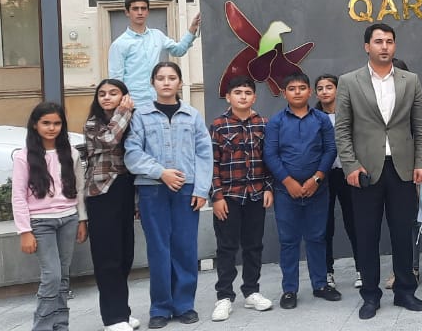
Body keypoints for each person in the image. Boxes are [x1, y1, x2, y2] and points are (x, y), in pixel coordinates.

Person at [334, 23, 422, 320]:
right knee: (367, 235)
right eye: (378, 41)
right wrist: (350, 165)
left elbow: (420, 126)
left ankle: (405, 291)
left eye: (389, 41)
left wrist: (421, 162)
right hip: (365, 170)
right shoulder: (349, 81)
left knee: (402, 233)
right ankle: (370, 295)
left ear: (394, 45)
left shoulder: (410, 80)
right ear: (367, 47)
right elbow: (342, 129)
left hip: (402, 168)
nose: (384, 46)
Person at [125, 62, 213, 329]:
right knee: (159, 249)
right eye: (161, 78)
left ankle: (184, 304)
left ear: (180, 83)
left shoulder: (192, 115)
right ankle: (160, 308)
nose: (166, 82)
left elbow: (204, 153)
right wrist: (161, 172)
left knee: (185, 247)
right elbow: (132, 153)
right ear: (152, 82)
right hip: (153, 189)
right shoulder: (140, 116)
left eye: (172, 78)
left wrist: (201, 189)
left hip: (186, 190)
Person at [265, 73, 341, 309]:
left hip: (317, 190)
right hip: (285, 192)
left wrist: (316, 178)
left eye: (301, 88)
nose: (297, 92)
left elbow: (330, 150)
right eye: (292, 88)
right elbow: (270, 154)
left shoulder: (321, 120)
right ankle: (289, 290)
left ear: (309, 92)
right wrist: (288, 181)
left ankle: (320, 284)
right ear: (284, 93)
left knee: (317, 237)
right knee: (288, 241)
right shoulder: (276, 122)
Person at [12, 102, 87, 331]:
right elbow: (18, 196)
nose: (52, 128)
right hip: (40, 222)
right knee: (52, 276)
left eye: (57, 123)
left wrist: (82, 219)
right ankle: (42, 327)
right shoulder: (23, 157)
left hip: (69, 219)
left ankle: (61, 326)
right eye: (46, 123)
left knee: (63, 277)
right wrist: (25, 231)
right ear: (35, 125)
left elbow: (80, 188)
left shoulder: (71, 153)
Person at [208, 76, 275, 321]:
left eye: (247, 92)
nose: (243, 96)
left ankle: (251, 291)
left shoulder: (263, 124)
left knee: (253, 245)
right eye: (238, 92)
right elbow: (211, 163)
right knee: (226, 247)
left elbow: (270, 159)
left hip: (256, 194)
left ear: (254, 97)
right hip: (228, 197)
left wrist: (268, 188)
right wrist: (216, 196)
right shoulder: (218, 125)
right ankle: (224, 296)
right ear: (228, 97)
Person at [82, 79, 141, 331]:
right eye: (102, 94)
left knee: (125, 254)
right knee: (108, 257)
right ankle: (113, 318)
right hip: (101, 193)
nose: (106, 97)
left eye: (113, 93)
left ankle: (122, 312)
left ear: (123, 96)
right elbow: (108, 140)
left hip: (125, 190)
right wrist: (124, 111)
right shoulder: (93, 124)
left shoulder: (131, 122)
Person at [108, 0, 201, 100]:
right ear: (127, 12)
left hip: (158, 99)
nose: (140, 12)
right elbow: (116, 79)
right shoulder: (119, 44)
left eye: (143, 8)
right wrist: (122, 101)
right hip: (134, 101)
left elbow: (179, 50)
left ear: (148, 11)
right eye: (135, 9)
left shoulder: (157, 35)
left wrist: (192, 28)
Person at [316, 74, 358, 290]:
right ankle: (327, 272)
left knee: (355, 222)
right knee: (325, 226)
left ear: (338, 90)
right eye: (320, 88)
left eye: (329, 87)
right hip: (323, 176)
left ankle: (362, 269)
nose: (325, 91)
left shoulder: (350, 114)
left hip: (348, 173)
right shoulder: (314, 118)